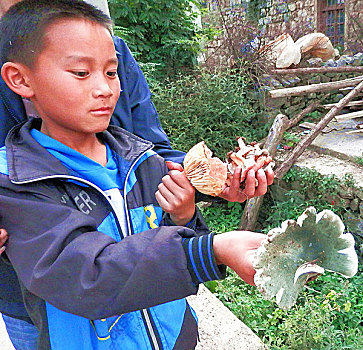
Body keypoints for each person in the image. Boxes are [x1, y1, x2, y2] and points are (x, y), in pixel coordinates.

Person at [0, 1, 266, 349]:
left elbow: (171, 233)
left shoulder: (139, 159)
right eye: (81, 73)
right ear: (19, 79)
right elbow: (86, 275)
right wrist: (211, 250)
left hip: (171, 338)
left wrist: (190, 207)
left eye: (112, 73)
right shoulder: (18, 182)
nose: (106, 89)